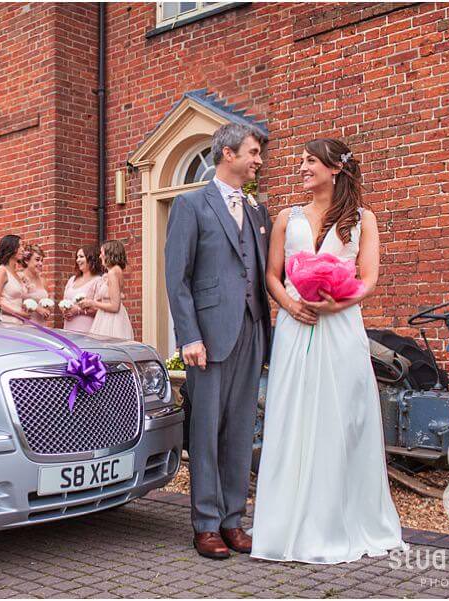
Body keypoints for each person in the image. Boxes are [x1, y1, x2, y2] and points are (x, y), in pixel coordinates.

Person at [251, 138, 407, 564]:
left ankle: (343, 520)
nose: (302, 168)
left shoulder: (363, 219)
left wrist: (339, 302)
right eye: (301, 161)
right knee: (294, 414)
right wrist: (289, 305)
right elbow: (271, 275)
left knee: (343, 416)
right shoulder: (287, 217)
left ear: (335, 168)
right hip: (295, 327)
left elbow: (369, 277)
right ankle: (286, 522)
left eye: (310, 161)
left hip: (341, 327)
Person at [164, 122, 271, 559]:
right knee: (206, 432)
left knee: (241, 431)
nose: (258, 160)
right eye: (252, 152)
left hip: (252, 329)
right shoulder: (191, 205)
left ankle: (233, 521)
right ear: (228, 154)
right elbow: (178, 277)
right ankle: (205, 525)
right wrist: (188, 335)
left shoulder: (258, 211)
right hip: (206, 337)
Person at [81, 240, 134, 341]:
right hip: (110, 317)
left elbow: (114, 306)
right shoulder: (116, 271)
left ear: (110, 254)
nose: (100, 256)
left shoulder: (113, 273)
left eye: (102, 253)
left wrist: (93, 303)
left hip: (111, 320)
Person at [0, 234, 27, 324]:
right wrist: (18, 313)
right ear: (10, 248)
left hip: (20, 324)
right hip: (7, 323)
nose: (23, 249)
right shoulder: (1, 271)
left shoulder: (18, 275)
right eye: (20, 246)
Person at [62, 245, 102, 333]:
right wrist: (64, 309)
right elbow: (64, 300)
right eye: (77, 257)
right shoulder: (72, 280)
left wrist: (78, 311)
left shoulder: (98, 281)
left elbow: (100, 309)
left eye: (81, 257)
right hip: (69, 327)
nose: (78, 260)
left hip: (86, 328)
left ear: (91, 259)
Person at [19, 243, 52, 326]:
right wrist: (36, 308)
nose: (40, 263)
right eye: (37, 260)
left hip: (42, 326)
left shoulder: (43, 280)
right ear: (26, 260)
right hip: (25, 325)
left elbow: (47, 301)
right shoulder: (19, 277)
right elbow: (15, 300)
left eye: (42, 260)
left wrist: (47, 311)